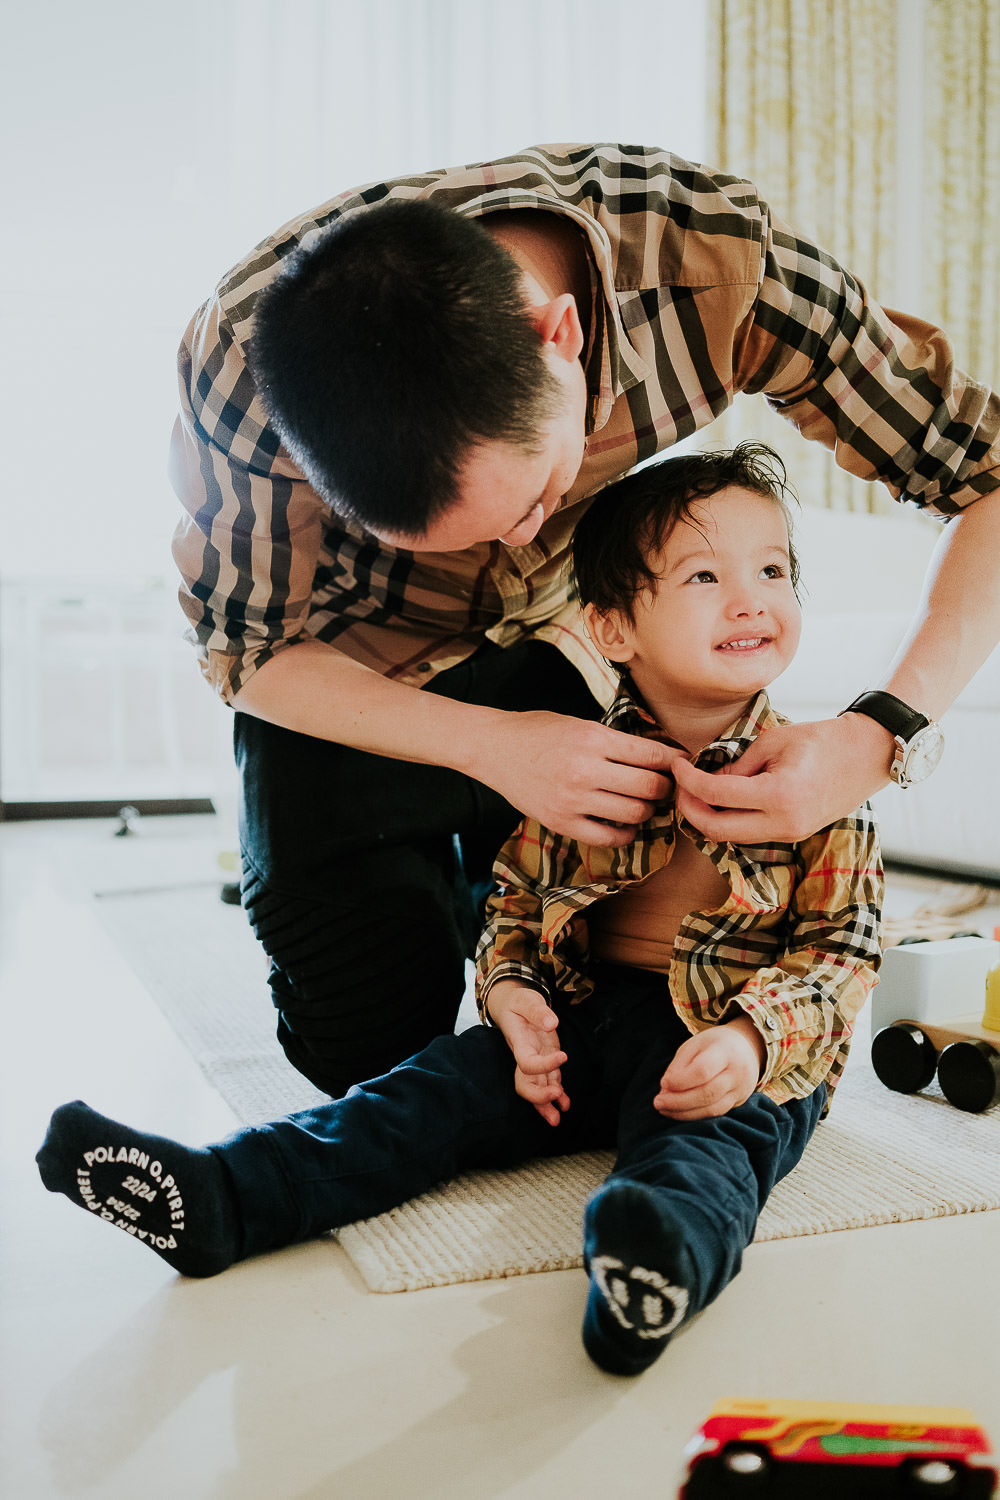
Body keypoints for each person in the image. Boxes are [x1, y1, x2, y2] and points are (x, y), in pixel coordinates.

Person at [168, 143, 994, 1096]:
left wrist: (880, 731)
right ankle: (447, 875)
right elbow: (245, 648)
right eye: (439, 536)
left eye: (537, 495)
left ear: (557, 333)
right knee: (364, 1057)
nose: (517, 539)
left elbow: (990, 479)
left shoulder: (727, 269)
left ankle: (484, 873)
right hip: (360, 676)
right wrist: (494, 747)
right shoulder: (237, 369)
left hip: (572, 642)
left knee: (598, 998)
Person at [39, 444, 883, 1376]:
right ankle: (225, 1194)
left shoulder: (815, 780)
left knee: (710, 1157)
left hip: (722, 1046)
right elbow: (517, 905)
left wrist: (752, 1045)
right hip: (579, 1031)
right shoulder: (579, 767)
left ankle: (654, 1263)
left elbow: (842, 952)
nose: (752, 598)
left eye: (773, 570)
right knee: (420, 1095)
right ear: (611, 628)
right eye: (704, 575)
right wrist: (515, 1000)